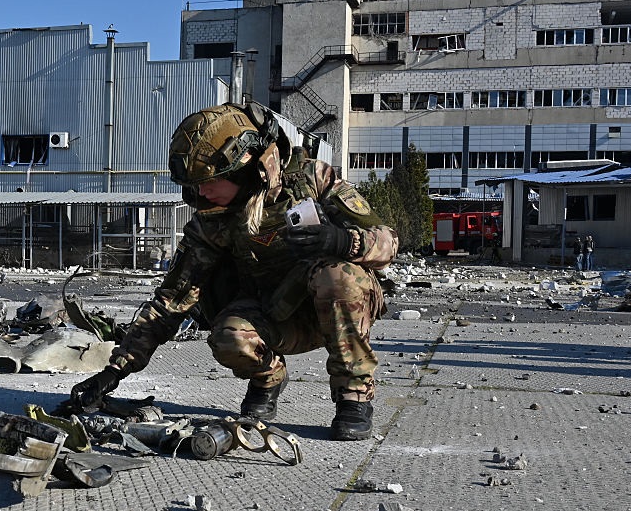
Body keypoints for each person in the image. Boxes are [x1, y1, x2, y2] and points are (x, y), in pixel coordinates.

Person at [62, 102, 399, 440]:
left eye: (209, 181)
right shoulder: (213, 221)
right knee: (228, 337)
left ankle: (354, 395)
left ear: (247, 168)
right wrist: (114, 372)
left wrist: (343, 241)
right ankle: (268, 378)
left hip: (336, 310)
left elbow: (388, 242)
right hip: (274, 315)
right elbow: (172, 300)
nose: (200, 192)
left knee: (339, 277)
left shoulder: (311, 180)